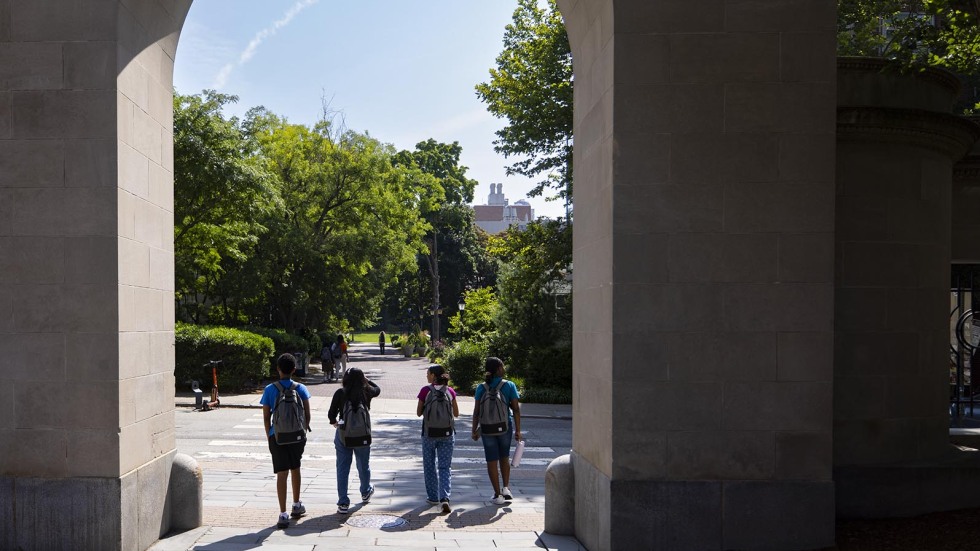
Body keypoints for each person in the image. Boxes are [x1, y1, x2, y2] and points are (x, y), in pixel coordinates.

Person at [260, 353, 312, 529]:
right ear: (294, 369)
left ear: (278, 369)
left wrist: (270, 435)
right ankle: (297, 505)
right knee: (296, 468)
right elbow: (307, 414)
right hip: (297, 436)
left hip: (278, 436)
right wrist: (302, 432)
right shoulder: (301, 388)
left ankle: (283, 514)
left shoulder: (269, 389)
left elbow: (266, 417)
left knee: (282, 474)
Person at [328, 367, 381, 514]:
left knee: (342, 468)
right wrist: (366, 380)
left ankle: (343, 502)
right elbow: (378, 389)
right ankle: (365, 491)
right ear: (362, 379)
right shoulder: (366, 392)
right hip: (363, 436)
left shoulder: (340, 393)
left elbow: (331, 415)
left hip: (344, 435)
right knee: (363, 465)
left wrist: (337, 423)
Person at [471, 356, 522, 505]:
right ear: (498, 369)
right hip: (505, 427)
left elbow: (476, 411)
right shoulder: (509, 385)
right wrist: (518, 430)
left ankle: (497, 494)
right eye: (503, 366)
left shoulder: (481, 387)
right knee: (504, 457)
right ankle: (506, 488)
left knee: (491, 460)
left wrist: (474, 430)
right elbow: (516, 410)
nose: (504, 369)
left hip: (487, 429)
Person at [416, 365, 460, 513]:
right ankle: (445, 498)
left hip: (429, 434)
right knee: (445, 467)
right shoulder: (450, 391)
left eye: (428, 373)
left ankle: (433, 497)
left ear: (434, 375)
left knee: (429, 465)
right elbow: (456, 413)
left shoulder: (425, 391)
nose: (427, 376)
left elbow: (418, 413)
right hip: (447, 434)